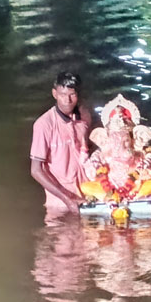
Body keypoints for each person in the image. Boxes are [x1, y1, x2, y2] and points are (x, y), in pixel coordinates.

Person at [30, 71, 93, 214]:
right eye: (63, 95)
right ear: (55, 94)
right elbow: (35, 170)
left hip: (88, 193)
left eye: (72, 95)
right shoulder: (44, 124)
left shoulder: (84, 116)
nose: (67, 100)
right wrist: (67, 198)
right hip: (60, 203)